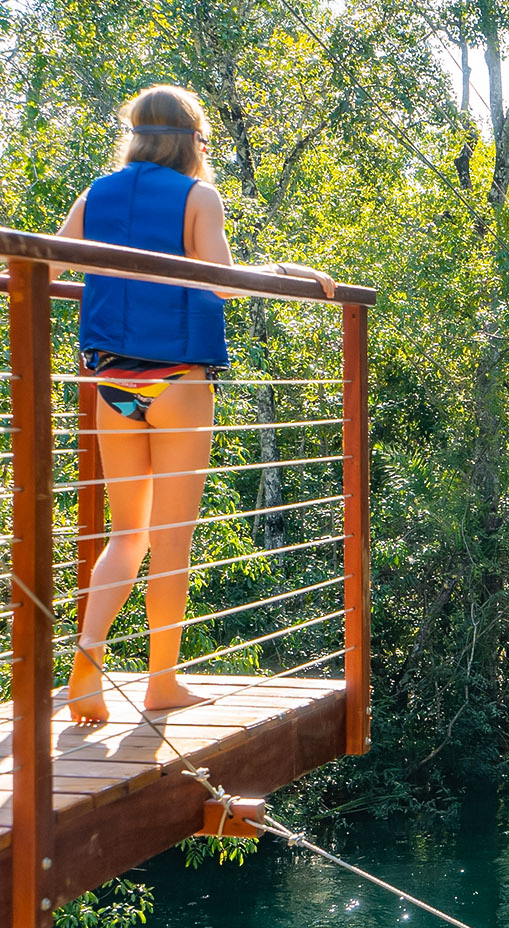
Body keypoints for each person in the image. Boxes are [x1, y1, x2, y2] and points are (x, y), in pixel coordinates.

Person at [51, 85, 335, 723]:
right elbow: (221, 284)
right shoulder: (198, 196)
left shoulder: (97, 192)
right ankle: (161, 683)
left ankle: (86, 669)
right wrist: (285, 272)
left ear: (135, 135)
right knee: (171, 542)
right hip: (177, 379)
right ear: (190, 139)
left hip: (110, 379)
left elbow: (53, 267)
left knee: (127, 534)